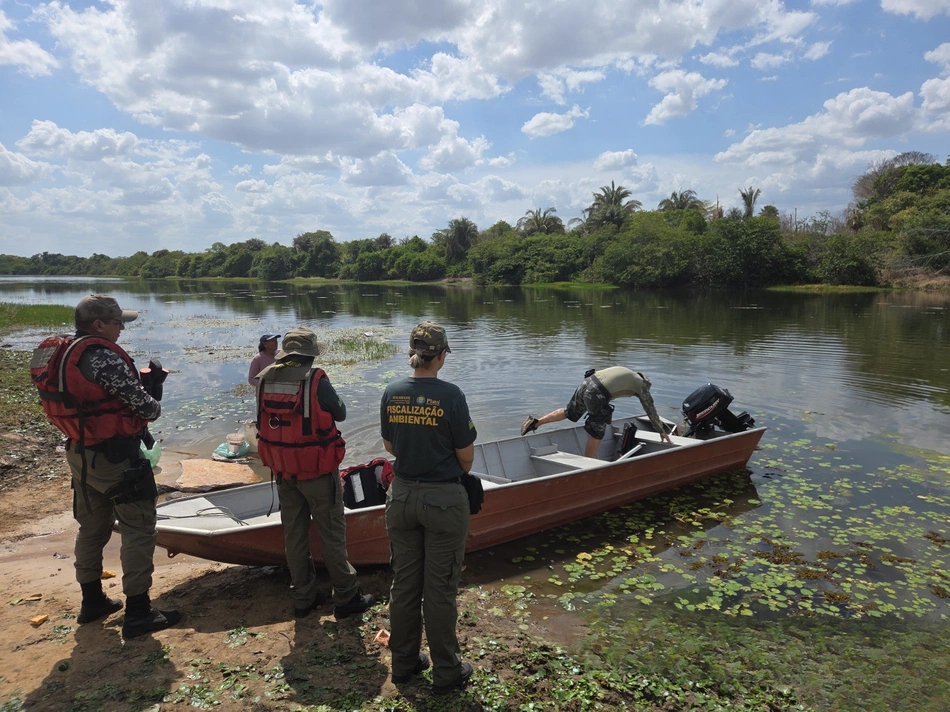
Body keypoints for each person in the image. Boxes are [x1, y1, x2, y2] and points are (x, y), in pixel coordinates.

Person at [30, 294, 180, 639]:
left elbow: (90, 398)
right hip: (117, 460)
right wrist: (153, 390)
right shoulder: (101, 357)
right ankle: (139, 612)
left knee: (92, 528)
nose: (122, 328)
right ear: (99, 324)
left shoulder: (59, 352)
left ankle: (92, 601)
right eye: (117, 322)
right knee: (139, 528)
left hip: (80, 453)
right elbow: (148, 410)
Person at [380, 321, 477, 695]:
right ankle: (447, 672)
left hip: (401, 497)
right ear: (441, 355)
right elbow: (465, 458)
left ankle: (403, 664)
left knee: (404, 584)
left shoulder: (392, 391)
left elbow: (390, 447)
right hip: (442, 501)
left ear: (412, 354)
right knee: (439, 589)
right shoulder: (451, 396)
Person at [255, 327, 374, 621]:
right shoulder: (315, 379)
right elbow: (341, 413)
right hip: (318, 472)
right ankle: (346, 597)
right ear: (310, 354)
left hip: (283, 472)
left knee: (294, 536)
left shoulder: (265, 378)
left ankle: (303, 598)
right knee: (332, 535)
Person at [521, 366, 672, 457]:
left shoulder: (627, 372)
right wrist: (661, 431)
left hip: (587, 382)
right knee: (598, 430)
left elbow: (609, 382)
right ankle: (589, 464)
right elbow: (650, 410)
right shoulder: (642, 386)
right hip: (597, 392)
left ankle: (536, 423)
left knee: (569, 412)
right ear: (645, 381)